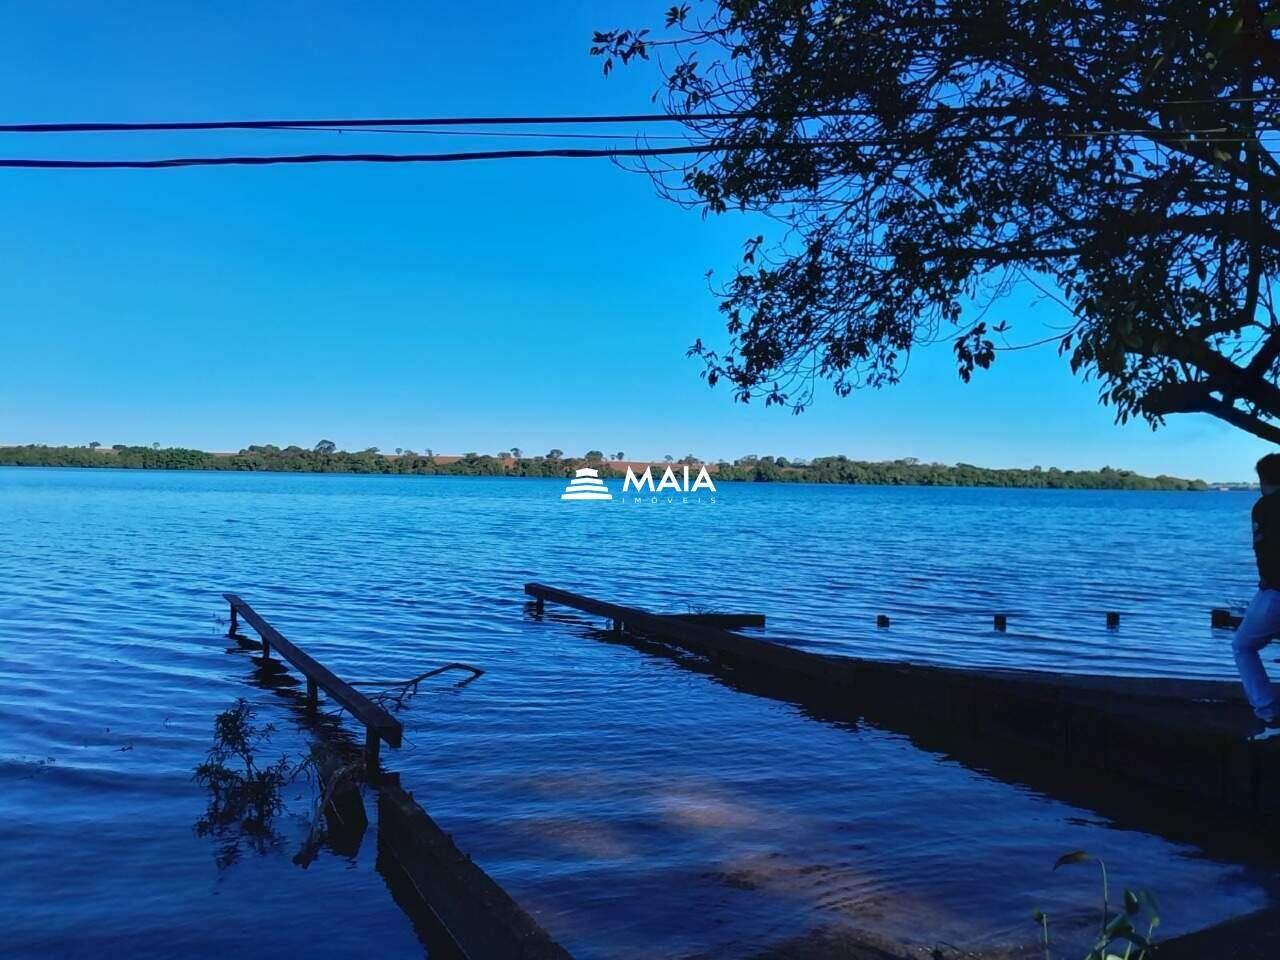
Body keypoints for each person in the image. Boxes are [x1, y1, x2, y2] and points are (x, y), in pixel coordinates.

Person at [1235, 452, 1280, 739]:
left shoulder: (1264, 508)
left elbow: (1266, 554)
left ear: (1263, 479)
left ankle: (1269, 715)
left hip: (1276, 590)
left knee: (1243, 646)